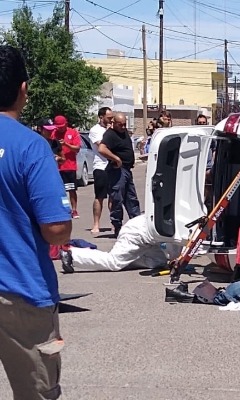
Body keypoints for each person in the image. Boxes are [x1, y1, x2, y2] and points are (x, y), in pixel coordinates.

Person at [0, 44, 72, 400]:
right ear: (23, 89)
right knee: (37, 393)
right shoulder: (31, 146)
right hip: (20, 292)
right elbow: (56, 227)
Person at [60, 215, 181, 273]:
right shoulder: (185, 230)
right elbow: (176, 254)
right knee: (114, 262)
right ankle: (72, 254)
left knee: (159, 261)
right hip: (138, 233)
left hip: (145, 234)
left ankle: (128, 259)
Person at [99, 112, 140, 237]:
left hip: (127, 169)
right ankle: (117, 225)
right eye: (120, 125)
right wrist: (115, 158)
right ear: (114, 123)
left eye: (124, 125)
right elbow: (102, 149)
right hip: (117, 170)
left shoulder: (124, 132)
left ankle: (137, 225)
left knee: (131, 198)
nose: (123, 127)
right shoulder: (110, 134)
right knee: (117, 198)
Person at [88, 107, 113, 235]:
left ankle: (115, 223)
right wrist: (109, 132)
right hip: (101, 166)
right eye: (108, 118)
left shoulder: (112, 129)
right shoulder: (95, 130)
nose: (110, 120)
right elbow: (102, 146)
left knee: (113, 197)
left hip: (112, 167)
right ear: (101, 117)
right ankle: (96, 224)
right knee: (100, 196)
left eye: (112, 117)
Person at [51, 114, 81, 219]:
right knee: (59, 190)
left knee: (71, 190)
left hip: (69, 166)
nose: (60, 129)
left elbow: (77, 148)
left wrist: (66, 144)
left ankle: (74, 210)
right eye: (58, 127)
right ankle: (62, 209)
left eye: (62, 126)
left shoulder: (72, 132)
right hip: (56, 167)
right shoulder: (53, 133)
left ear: (66, 124)